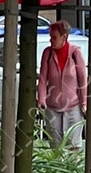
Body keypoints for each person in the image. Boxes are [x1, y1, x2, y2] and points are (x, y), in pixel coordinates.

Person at [36, 17, 87, 146]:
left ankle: (72, 166)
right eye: (50, 37)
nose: (51, 40)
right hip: (52, 107)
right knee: (55, 145)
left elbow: (82, 80)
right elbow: (42, 78)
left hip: (73, 107)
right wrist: (41, 99)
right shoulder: (47, 53)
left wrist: (84, 102)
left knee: (73, 145)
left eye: (54, 37)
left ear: (64, 37)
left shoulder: (75, 53)